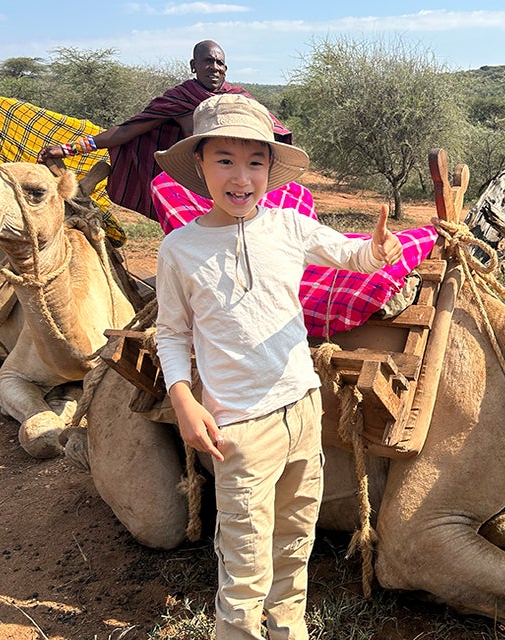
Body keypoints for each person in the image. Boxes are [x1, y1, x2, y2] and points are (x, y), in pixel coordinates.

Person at [153, 93, 403, 639]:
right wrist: (184, 400)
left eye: (255, 162)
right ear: (199, 165)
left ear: (270, 167)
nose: (240, 177)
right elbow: (170, 335)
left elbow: (351, 255)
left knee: (293, 546)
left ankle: (290, 631)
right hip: (239, 428)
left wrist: (378, 251)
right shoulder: (180, 248)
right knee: (244, 568)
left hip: (303, 410)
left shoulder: (289, 227)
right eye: (225, 160)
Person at [36, 40, 289, 221]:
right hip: (196, 182)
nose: (215, 67)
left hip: (239, 179)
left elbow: (270, 132)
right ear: (193, 65)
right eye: (208, 61)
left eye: (220, 63)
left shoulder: (239, 99)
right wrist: (69, 149)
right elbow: (126, 132)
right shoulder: (180, 99)